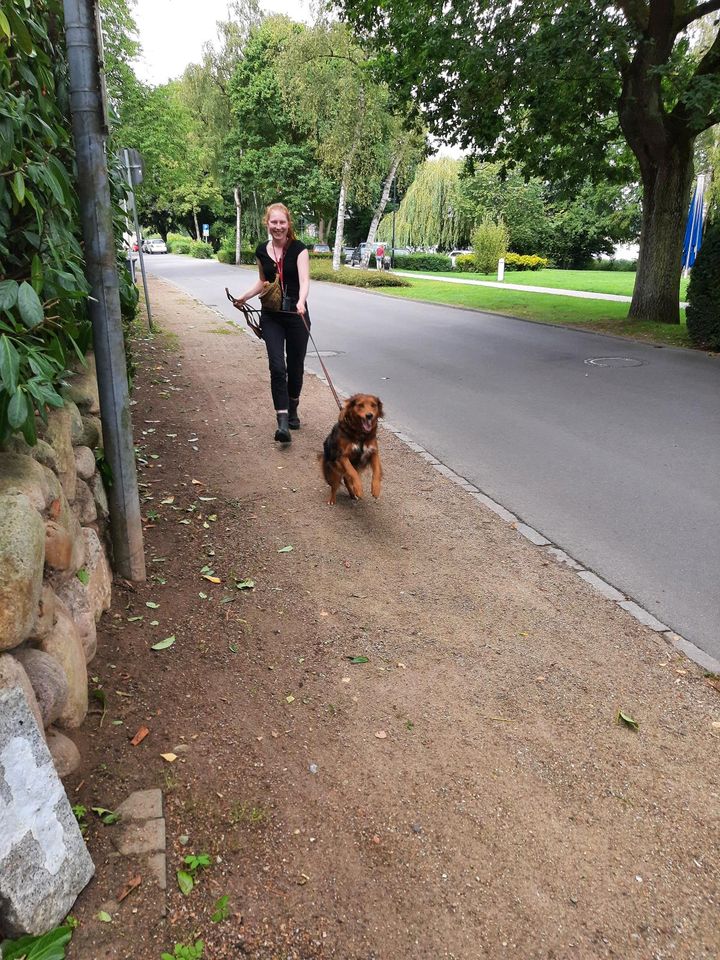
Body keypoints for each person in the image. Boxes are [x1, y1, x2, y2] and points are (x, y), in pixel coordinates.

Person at [232, 203, 310, 443]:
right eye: (274, 222)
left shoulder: (299, 249)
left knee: (295, 366)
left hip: (296, 315)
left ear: (289, 224)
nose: (278, 227)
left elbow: (305, 280)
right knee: (277, 367)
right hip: (272, 316)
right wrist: (244, 296)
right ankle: (283, 422)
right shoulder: (261, 250)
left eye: (282, 222)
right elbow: (263, 281)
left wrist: (302, 301)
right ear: (267, 223)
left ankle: (293, 407)